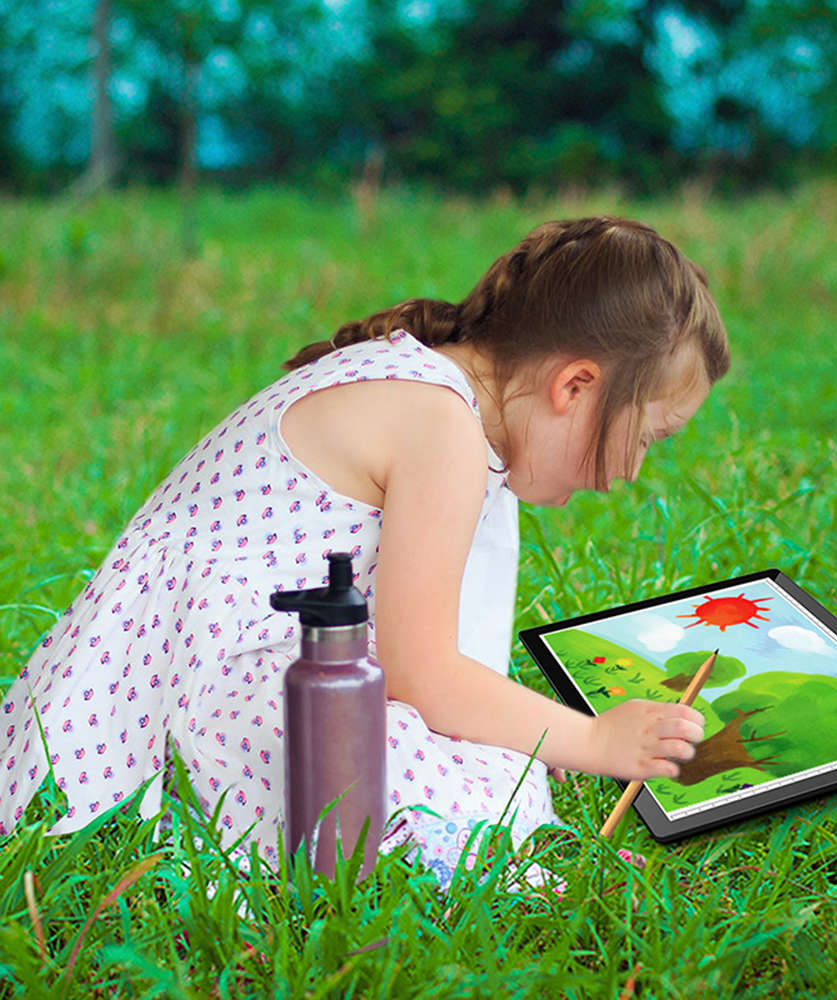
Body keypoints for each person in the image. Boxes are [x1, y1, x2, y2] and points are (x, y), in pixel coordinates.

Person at [0, 216, 729, 890]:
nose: (632, 469)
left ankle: (477, 833)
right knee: (384, 763)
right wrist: (597, 740)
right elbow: (425, 679)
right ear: (575, 384)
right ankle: (462, 858)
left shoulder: (433, 390)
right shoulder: (439, 424)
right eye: (647, 436)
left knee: (500, 754)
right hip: (209, 687)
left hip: (244, 664)